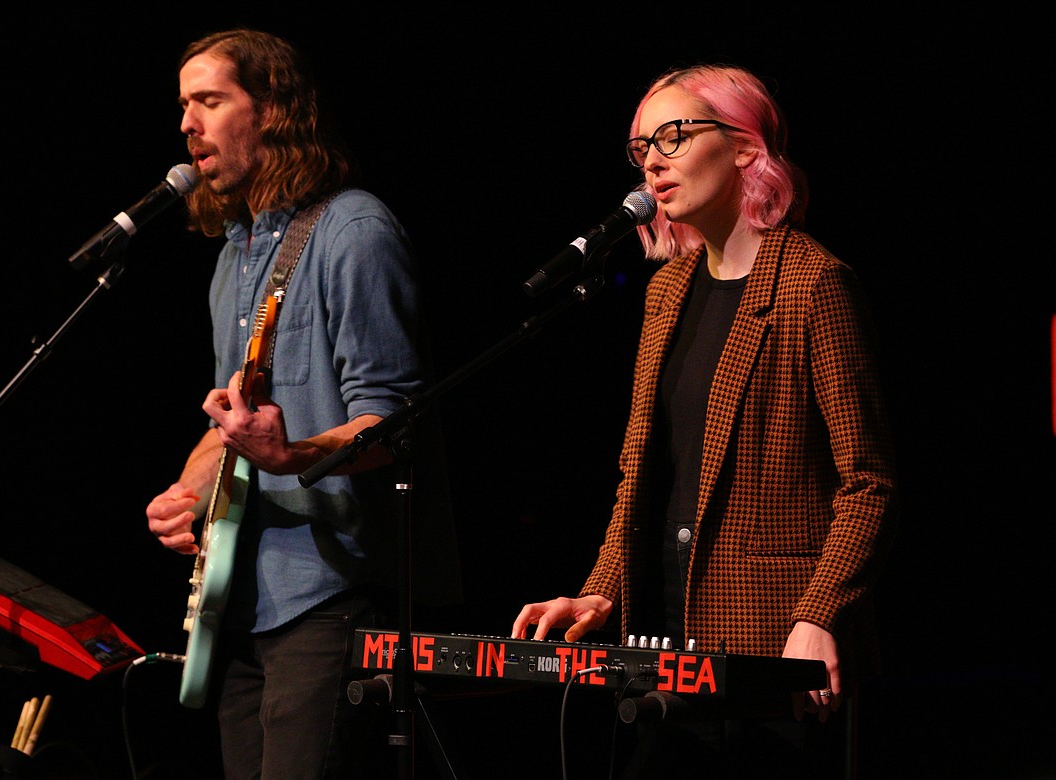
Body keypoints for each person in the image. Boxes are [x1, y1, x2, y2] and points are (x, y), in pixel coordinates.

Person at [511, 63, 897, 779]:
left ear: (747, 147)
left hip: (774, 653)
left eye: (674, 135)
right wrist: (601, 590)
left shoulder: (814, 285)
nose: (652, 160)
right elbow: (641, 474)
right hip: (661, 645)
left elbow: (868, 484)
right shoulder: (666, 291)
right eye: (640, 148)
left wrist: (819, 617)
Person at [146, 28, 459, 780]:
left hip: (329, 593)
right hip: (244, 598)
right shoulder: (234, 253)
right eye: (183, 105)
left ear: (274, 110)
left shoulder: (353, 230)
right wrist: (187, 488)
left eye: (210, 100)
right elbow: (231, 415)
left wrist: (295, 456)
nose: (188, 123)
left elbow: (393, 420)